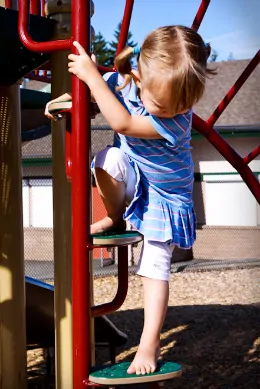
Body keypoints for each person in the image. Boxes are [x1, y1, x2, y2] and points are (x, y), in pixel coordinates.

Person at [45, 25, 214, 376]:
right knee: (106, 160)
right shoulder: (126, 82)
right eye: (161, 104)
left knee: (154, 266)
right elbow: (97, 98)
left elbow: (120, 122)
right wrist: (64, 103)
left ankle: (149, 343)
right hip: (137, 177)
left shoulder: (177, 122)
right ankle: (116, 214)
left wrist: (92, 77)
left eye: (183, 105)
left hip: (166, 198)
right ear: (137, 75)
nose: (172, 111)